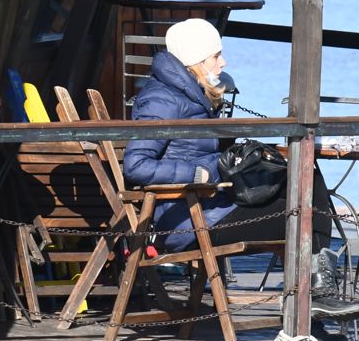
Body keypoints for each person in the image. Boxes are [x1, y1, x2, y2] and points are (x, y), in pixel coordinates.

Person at [121, 18, 315, 250]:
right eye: (215, 56)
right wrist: (197, 174)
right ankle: (315, 277)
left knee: (301, 176)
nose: (222, 63)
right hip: (187, 221)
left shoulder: (190, 94)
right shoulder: (161, 99)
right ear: (196, 61)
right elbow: (136, 165)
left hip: (210, 205)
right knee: (301, 215)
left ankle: (316, 273)